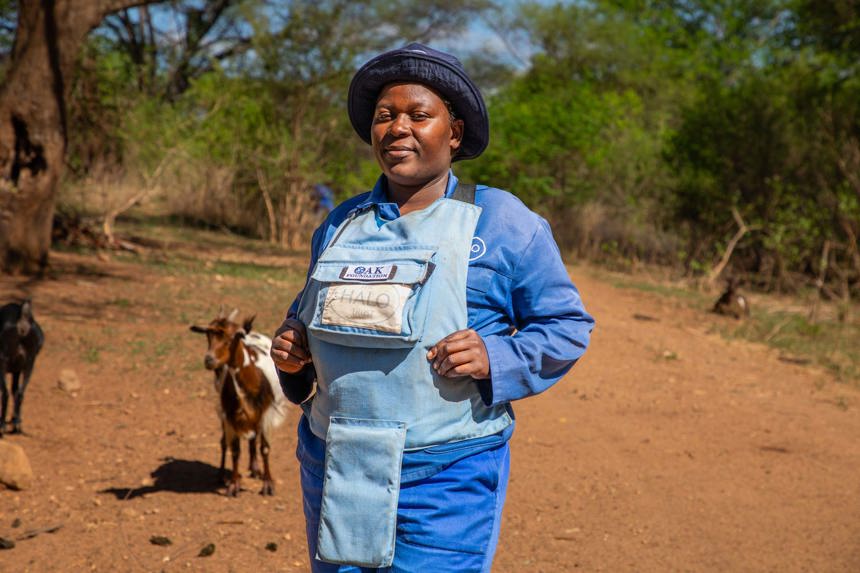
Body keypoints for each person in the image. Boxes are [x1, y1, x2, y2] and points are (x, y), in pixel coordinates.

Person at [271, 43, 594, 573]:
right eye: (384, 116)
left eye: (419, 115)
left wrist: (496, 357)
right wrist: (292, 352)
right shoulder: (341, 224)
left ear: (455, 133)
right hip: (337, 462)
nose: (398, 127)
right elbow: (306, 320)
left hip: (447, 473)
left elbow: (566, 325)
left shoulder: (500, 221)